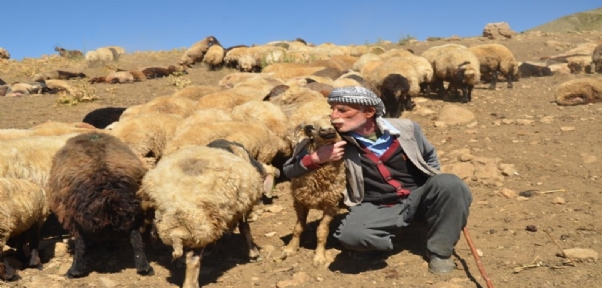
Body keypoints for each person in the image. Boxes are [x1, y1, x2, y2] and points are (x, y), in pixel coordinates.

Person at [283, 86, 473, 274]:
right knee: (351, 236)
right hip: (377, 204)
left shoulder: (407, 129)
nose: (333, 116)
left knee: (450, 184)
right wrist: (317, 158)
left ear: (369, 112)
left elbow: (429, 156)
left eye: (342, 110)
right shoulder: (334, 138)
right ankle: (381, 238)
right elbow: (289, 169)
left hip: (417, 195)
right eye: (332, 109)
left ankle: (440, 252)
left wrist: (435, 190)